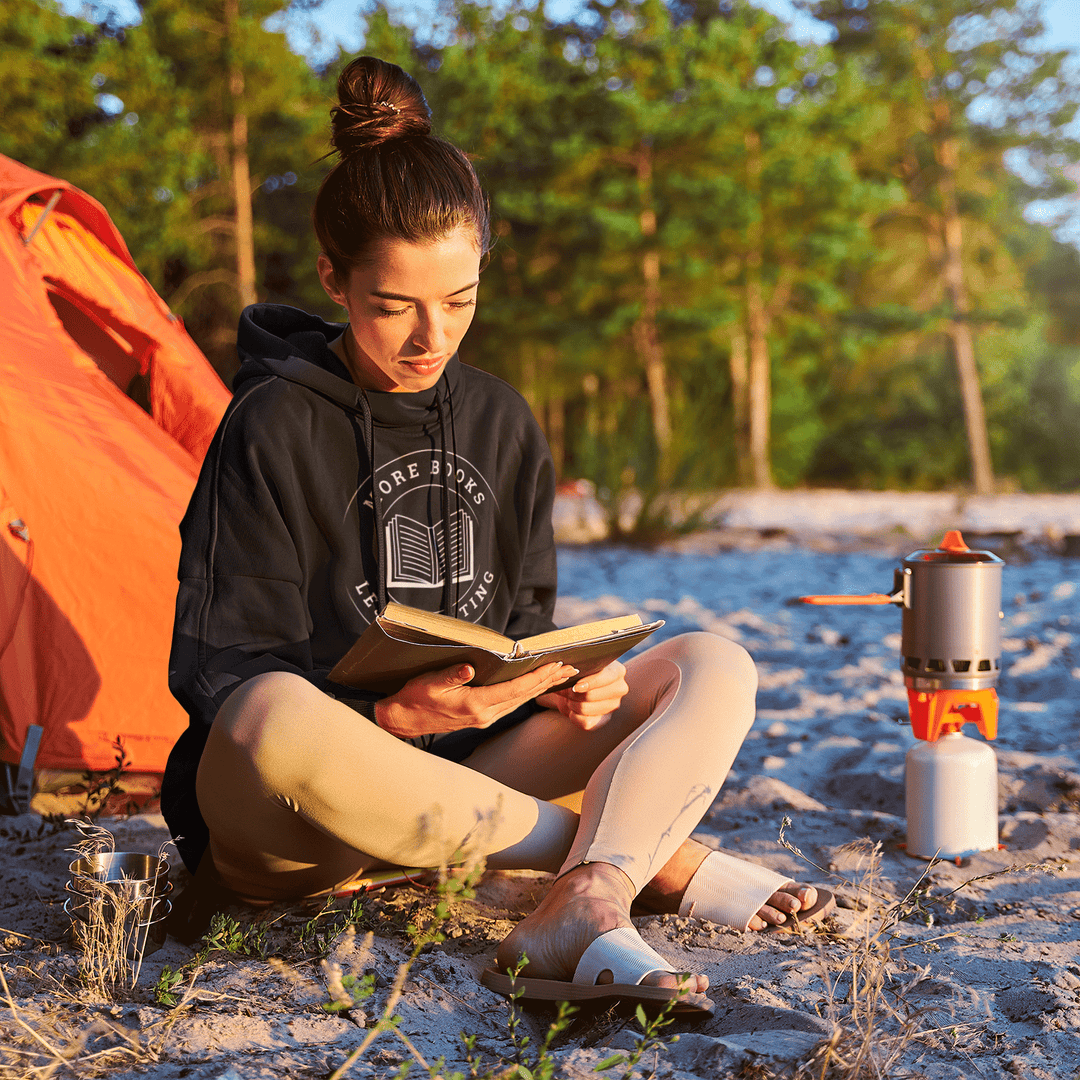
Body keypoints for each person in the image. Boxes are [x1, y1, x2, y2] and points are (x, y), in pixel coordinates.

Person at [161, 55, 831, 1014]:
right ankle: (653, 864)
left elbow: (517, 625)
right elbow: (218, 671)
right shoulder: (271, 421)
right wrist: (392, 718)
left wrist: (563, 678)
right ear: (333, 280)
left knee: (711, 662)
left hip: (462, 781)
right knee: (270, 712)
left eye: (461, 301)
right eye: (396, 305)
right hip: (304, 816)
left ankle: (589, 894)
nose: (432, 337)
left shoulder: (504, 422)